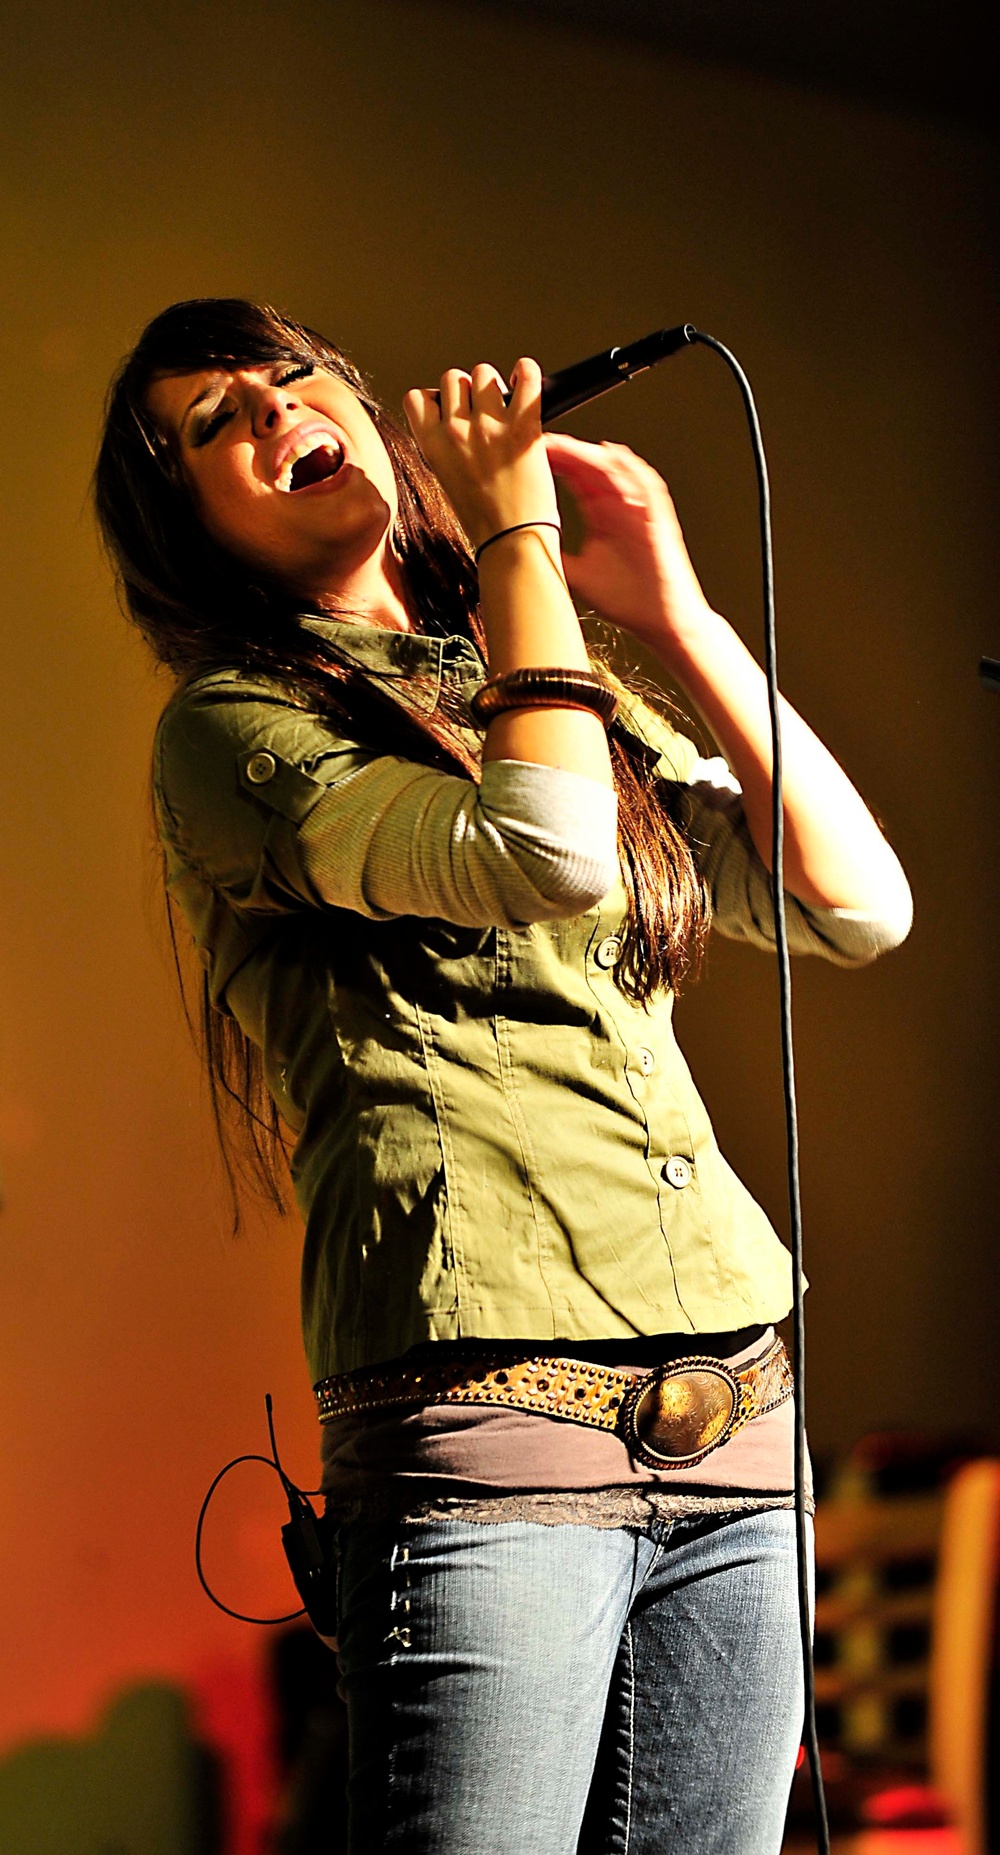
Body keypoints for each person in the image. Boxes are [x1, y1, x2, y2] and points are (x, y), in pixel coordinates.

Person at [95, 297, 911, 1855]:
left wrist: (673, 612)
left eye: (288, 378)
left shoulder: (529, 670)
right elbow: (540, 851)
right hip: (491, 1438)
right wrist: (521, 543)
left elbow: (857, 903)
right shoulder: (237, 727)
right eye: (214, 424)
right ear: (186, 524)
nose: (271, 414)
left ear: (357, 403)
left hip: (741, 1418)